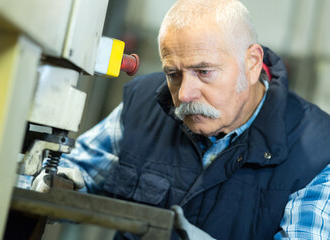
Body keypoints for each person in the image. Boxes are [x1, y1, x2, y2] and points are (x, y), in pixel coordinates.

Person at [32, 0, 330, 239]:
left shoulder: (318, 152)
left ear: (251, 64)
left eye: (204, 72)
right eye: (173, 74)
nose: (185, 94)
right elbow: (73, 171)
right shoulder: (145, 105)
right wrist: (55, 182)